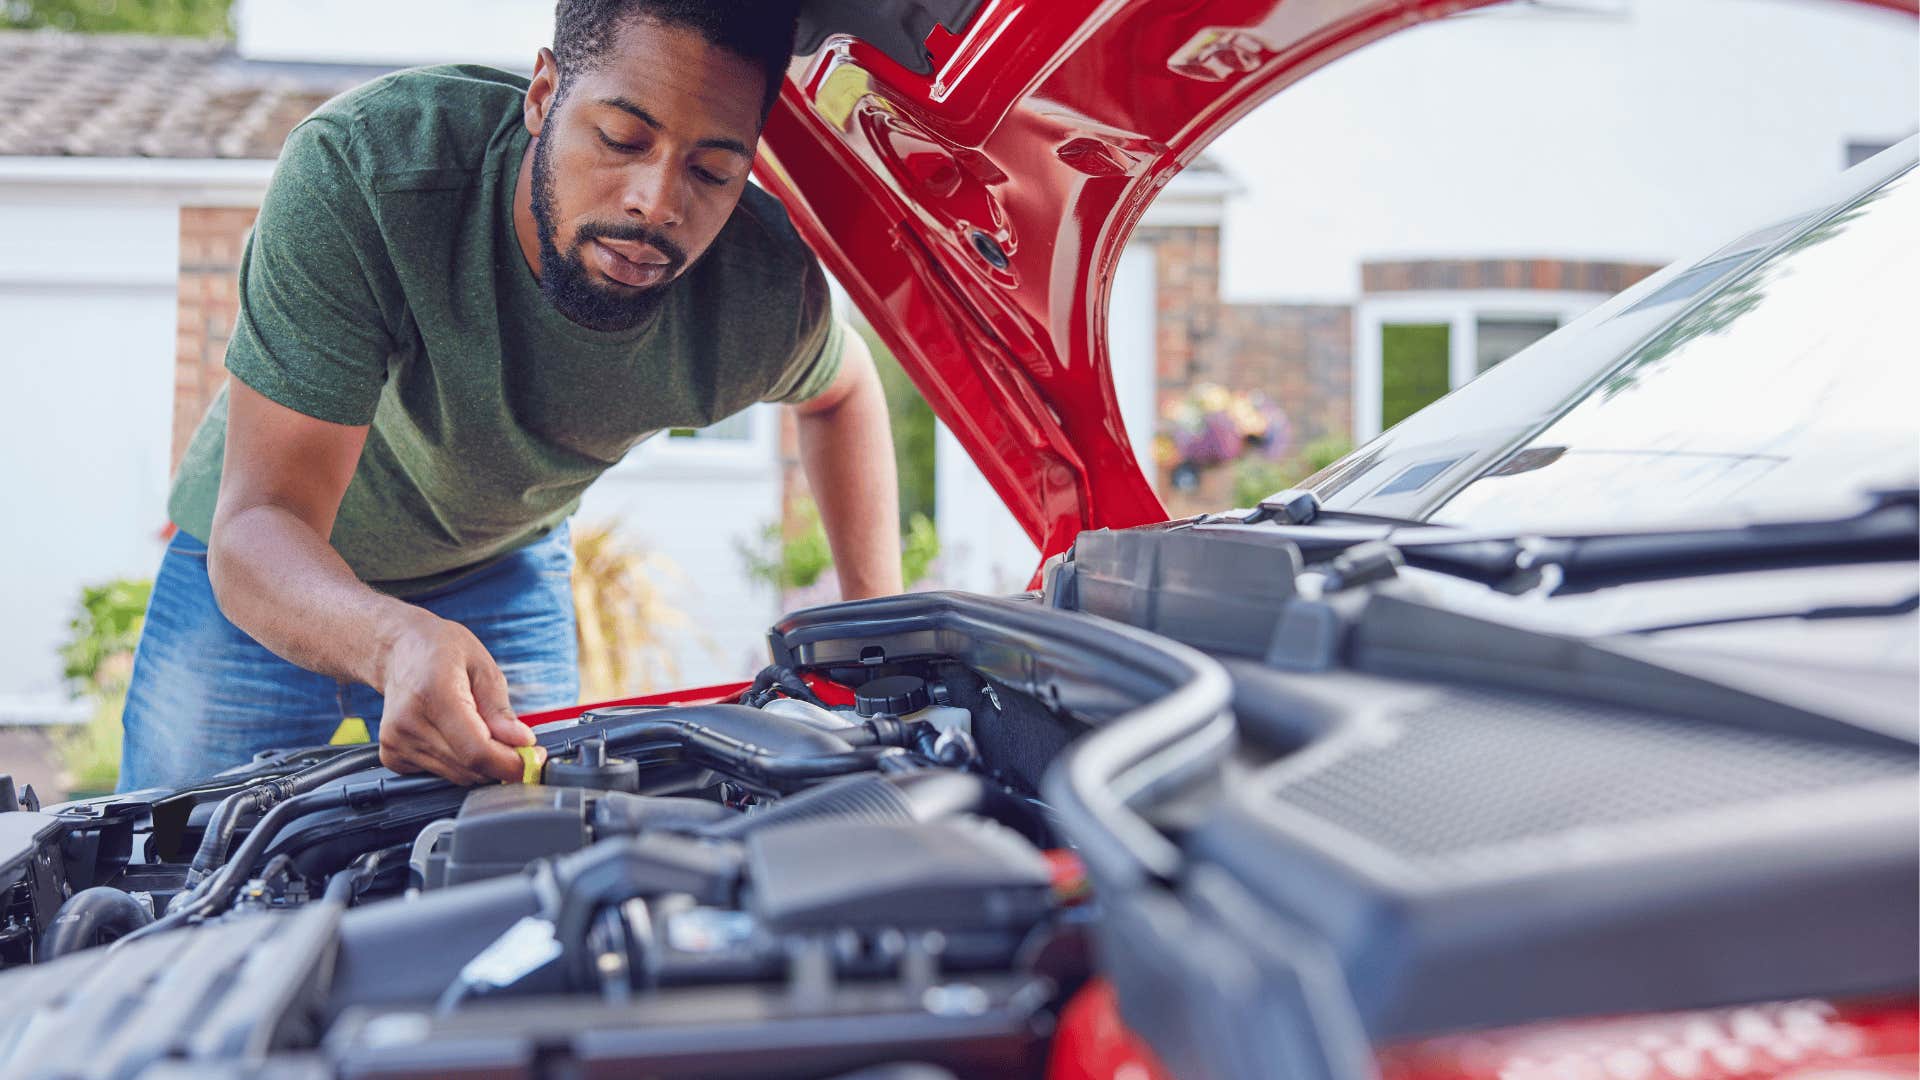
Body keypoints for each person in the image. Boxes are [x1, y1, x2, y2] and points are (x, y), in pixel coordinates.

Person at [118, 0, 901, 791]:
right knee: (174, 870)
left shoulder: (756, 291)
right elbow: (260, 520)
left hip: (500, 570)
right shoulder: (369, 174)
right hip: (270, 571)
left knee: (521, 862)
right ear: (542, 94)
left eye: (712, 171)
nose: (656, 203)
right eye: (623, 139)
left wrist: (878, 651)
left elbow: (842, 391)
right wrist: (391, 642)